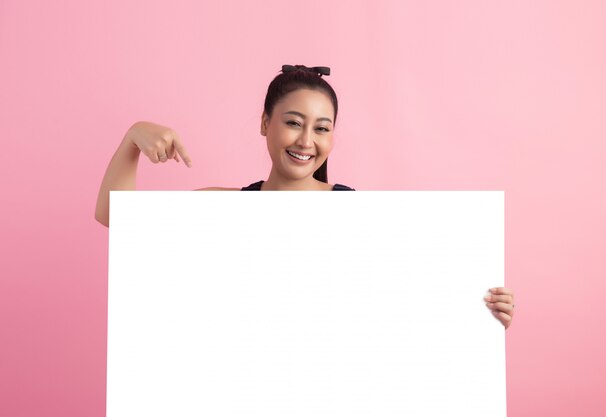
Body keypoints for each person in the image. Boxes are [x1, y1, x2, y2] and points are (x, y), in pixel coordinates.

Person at [95, 64, 515, 329]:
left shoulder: (364, 219)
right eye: (293, 122)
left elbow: (415, 307)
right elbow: (115, 215)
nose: (306, 140)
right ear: (265, 123)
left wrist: (484, 311)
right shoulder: (223, 212)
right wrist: (133, 137)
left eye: (322, 127)